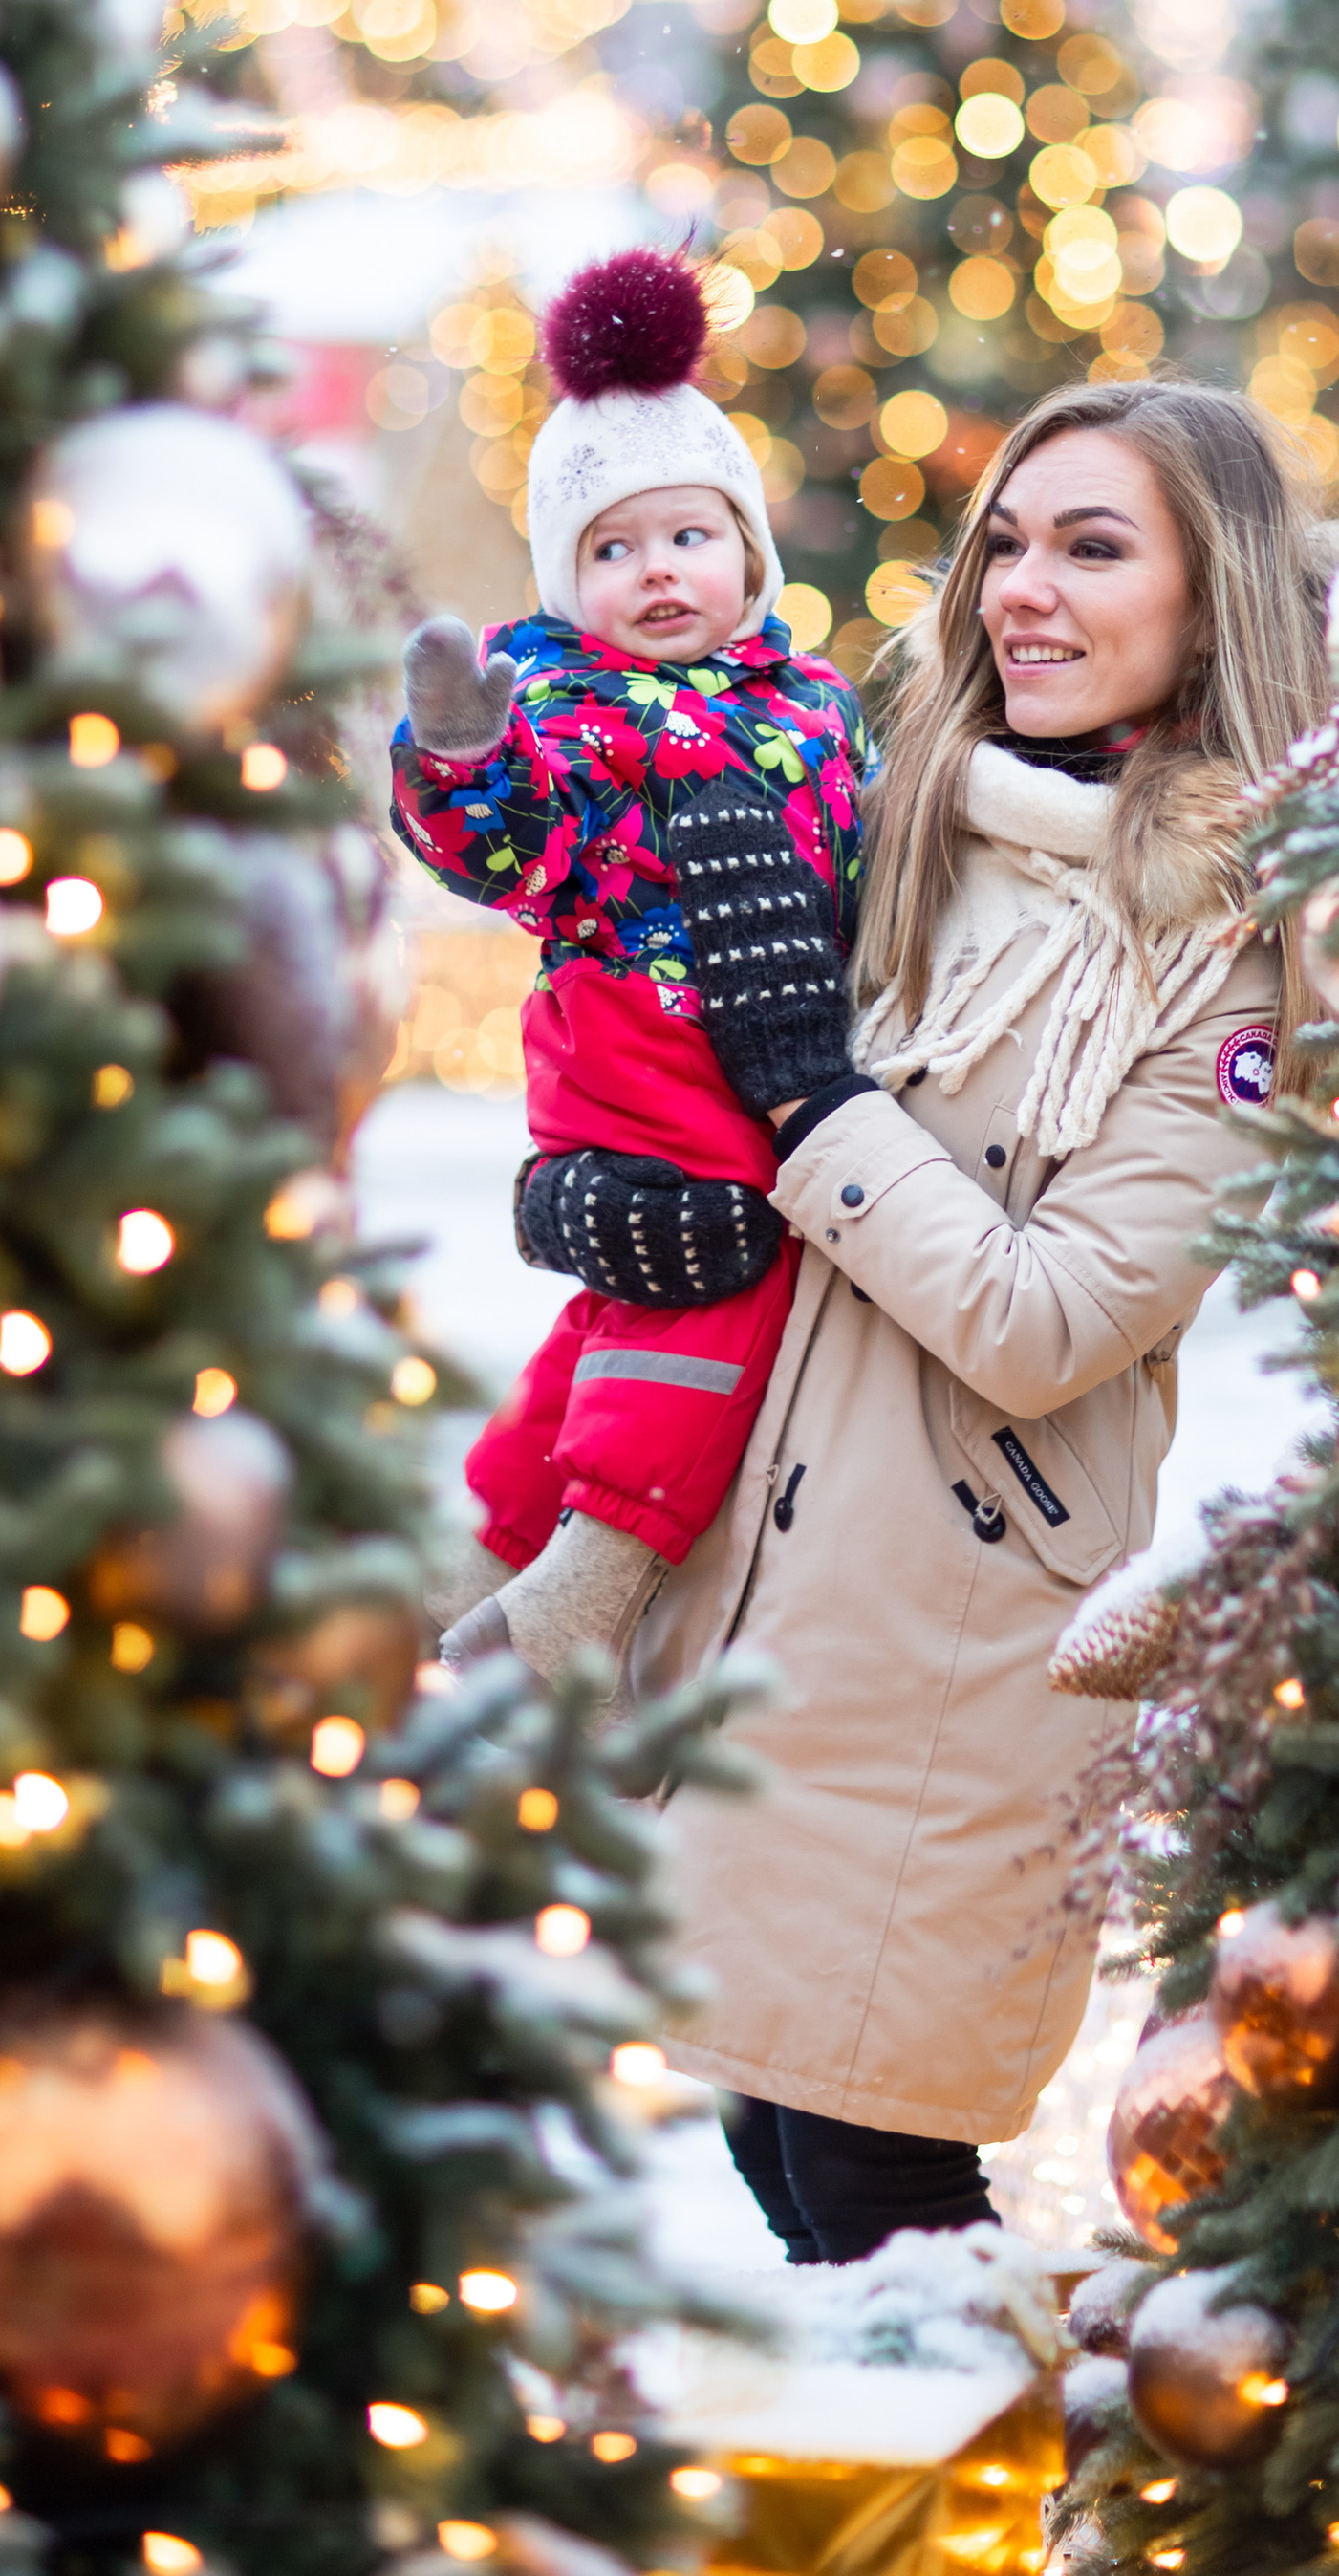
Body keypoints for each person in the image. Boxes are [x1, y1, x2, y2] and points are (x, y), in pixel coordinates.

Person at [623, 377, 1328, 2265]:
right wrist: (632, 1195)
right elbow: (742, 1154)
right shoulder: (915, 830)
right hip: (774, 1610)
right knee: (780, 2147)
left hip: (959, 1665)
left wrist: (805, 1102)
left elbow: (1050, 1317)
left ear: (1210, 601)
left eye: (1091, 548)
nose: (1021, 587)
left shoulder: (1246, 944)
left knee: (880, 2186)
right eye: (1004, 542)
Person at [388, 247, 872, 1681]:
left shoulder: (820, 699)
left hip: (775, 1039)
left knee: (622, 1311)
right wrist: (464, 755)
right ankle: (582, 1595)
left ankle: (477, 1551)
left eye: (687, 538)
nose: (656, 572)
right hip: (640, 1047)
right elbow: (502, 844)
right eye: (612, 550)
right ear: (566, 579)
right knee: (711, 1275)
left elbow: (877, 845)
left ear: (748, 552)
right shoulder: (569, 709)